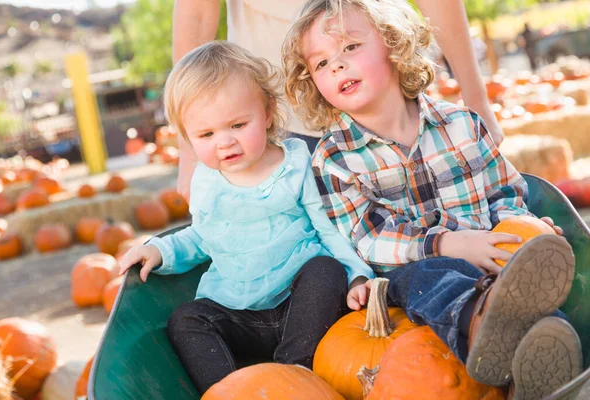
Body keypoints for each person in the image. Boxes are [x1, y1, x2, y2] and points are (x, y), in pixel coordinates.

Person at [282, 1, 583, 398]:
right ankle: (479, 322)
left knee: (525, 283)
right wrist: (446, 243)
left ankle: (542, 354)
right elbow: (367, 238)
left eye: (350, 48)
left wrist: (520, 227)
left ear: (393, 44)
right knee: (433, 277)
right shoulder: (334, 160)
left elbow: (505, 192)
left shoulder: (462, 124)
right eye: (321, 64)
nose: (336, 65)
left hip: (490, 253)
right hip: (411, 275)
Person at [118, 41, 374, 394]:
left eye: (237, 125)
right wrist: (161, 251)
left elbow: (329, 229)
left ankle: (294, 372)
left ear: (267, 113)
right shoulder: (207, 181)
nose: (224, 142)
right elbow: (201, 237)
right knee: (186, 320)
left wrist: (357, 274)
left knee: (325, 270)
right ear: (188, 138)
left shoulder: (297, 164)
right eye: (206, 134)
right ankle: (228, 390)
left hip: (298, 309)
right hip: (236, 314)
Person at [172, 0, 505, 203]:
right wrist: (190, 149)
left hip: (386, 103)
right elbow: (197, 11)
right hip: (276, 122)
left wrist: (476, 98)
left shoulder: (458, 127)